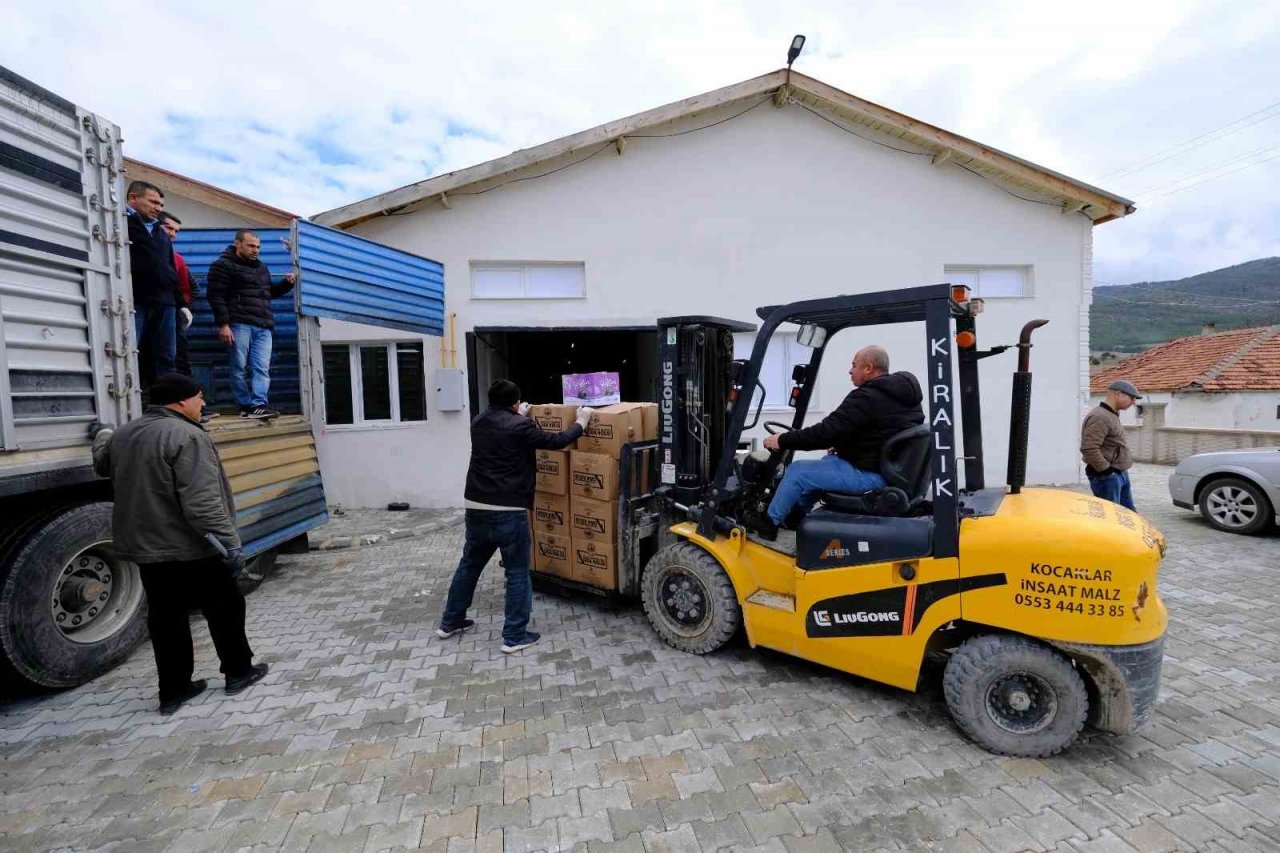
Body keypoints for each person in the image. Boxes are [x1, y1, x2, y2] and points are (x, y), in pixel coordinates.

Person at [90, 373, 268, 715]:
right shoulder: (187, 435)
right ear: (181, 401)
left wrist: (102, 434)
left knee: (165, 618)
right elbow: (201, 504)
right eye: (200, 397)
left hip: (147, 549)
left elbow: (101, 463)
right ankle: (239, 672)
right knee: (225, 609)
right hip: (192, 546)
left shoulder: (125, 434)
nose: (203, 403)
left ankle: (173, 691)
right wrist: (231, 546)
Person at [437, 380, 593, 653]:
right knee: (518, 572)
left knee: (469, 565)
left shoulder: (478, 422)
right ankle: (514, 636)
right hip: (508, 509)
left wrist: (520, 415)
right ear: (515, 402)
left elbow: (502, 433)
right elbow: (556, 442)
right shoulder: (521, 427)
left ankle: (451, 622)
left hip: (475, 505)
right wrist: (582, 421)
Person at [748, 345, 924, 540]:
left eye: (854, 365)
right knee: (827, 463)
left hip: (872, 476)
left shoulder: (866, 397)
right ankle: (796, 516)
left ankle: (768, 523)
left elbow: (825, 432)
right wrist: (842, 445)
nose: (850, 370)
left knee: (798, 471)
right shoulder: (903, 397)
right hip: (885, 469)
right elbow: (879, 430)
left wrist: (782, 440)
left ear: (869, 368)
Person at [206, 230, 295, 419]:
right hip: (239, 324)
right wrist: (223, 324)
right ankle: (244, 405)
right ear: (237, 243)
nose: (256, 250)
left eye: (258, 247)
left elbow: (268, 293)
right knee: (238, 367)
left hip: (263, 326)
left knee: (262, 367)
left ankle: (259, 405)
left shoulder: (261, 267)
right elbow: (216, 296)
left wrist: (286, 284)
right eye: (251, 246)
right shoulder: (222, 265)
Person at [125, 181, 180, 390]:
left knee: (167, 356)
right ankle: (133, 402)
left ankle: (167, 404)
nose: (158, 208)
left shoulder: (159, 231)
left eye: (161, 204)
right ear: (133, 198)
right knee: (131, 352)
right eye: (153, 202)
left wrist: (178, 302)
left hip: (165, 301)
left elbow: (169, 266)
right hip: (136, 300)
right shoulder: (122, 223)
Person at [1081, 379, 1141, 511]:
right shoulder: (1100, 416)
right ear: (1118, 394)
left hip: (1119, 473)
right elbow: (1089, 448)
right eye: (1132, 398)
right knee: (1111, 517)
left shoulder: (1111, 414)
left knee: (1128, 515)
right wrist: (1107, 472)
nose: (1134, 402)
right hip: (1107, 477)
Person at [157, 212, 195, 377]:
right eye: (168, 228)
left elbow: (186, 287)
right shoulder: (141, 249)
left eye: (176, 231)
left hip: (172, 311)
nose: (172, 233)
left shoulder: (178, 259)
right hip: (147, 307)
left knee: (176, 355)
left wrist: (182, 306)